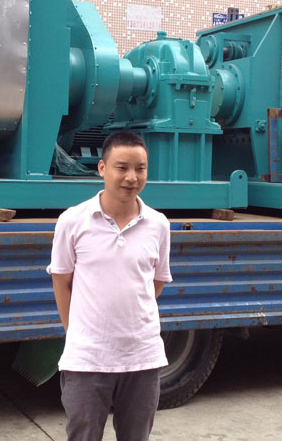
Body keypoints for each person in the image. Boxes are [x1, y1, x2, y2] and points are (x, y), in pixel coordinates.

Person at [47, 131, 172, 441]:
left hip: (143, 358)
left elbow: (155, 282)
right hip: (87, 359)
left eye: (140, 168)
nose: (132, 177)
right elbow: (62, 281)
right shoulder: (73, 221)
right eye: (122, 167)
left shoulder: (158, 224)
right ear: (102, 168)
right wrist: (77, 332)